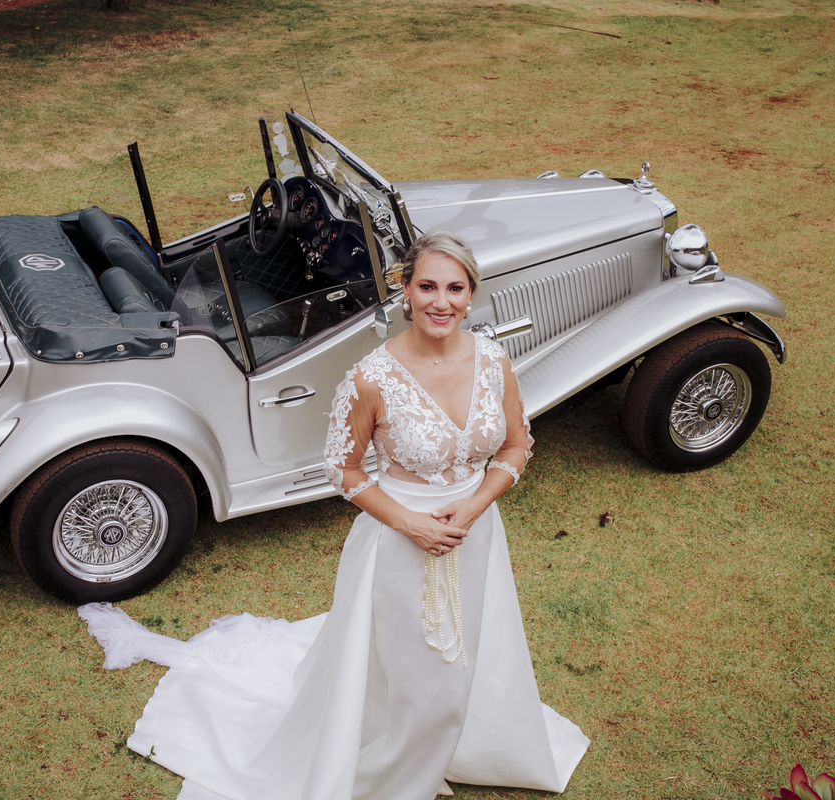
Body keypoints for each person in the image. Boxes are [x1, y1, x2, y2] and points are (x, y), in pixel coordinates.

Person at [79, 231, 589, 800]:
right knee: (429, 682)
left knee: (468, 656)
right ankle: (401, 781)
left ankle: (456, 745)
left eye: (455, 288)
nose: (441, 302)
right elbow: (342, 470)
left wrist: (473, 505)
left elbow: (516, 445)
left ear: (471, 294)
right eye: (427, 286)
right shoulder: (372, 378)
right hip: (399, 546)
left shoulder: (493, 361)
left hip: (476, 537)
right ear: (405, 289)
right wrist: (410, 523)